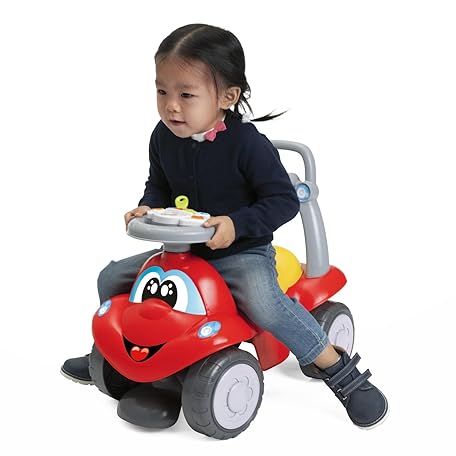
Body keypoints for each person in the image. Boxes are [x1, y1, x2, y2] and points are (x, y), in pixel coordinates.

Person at [61, 23, 388, 429]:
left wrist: (236, 224)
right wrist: (148, 208)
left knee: (266, 306)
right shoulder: (163, 137)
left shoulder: (248, 144)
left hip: (241, 253)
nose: (171, 107)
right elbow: (158, 184)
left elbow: (282, 200)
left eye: (186, 95)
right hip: (182, 253)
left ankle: (340, 371)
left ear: (227, 97)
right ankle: (113, 352)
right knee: (112, 278)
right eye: (162, 91)